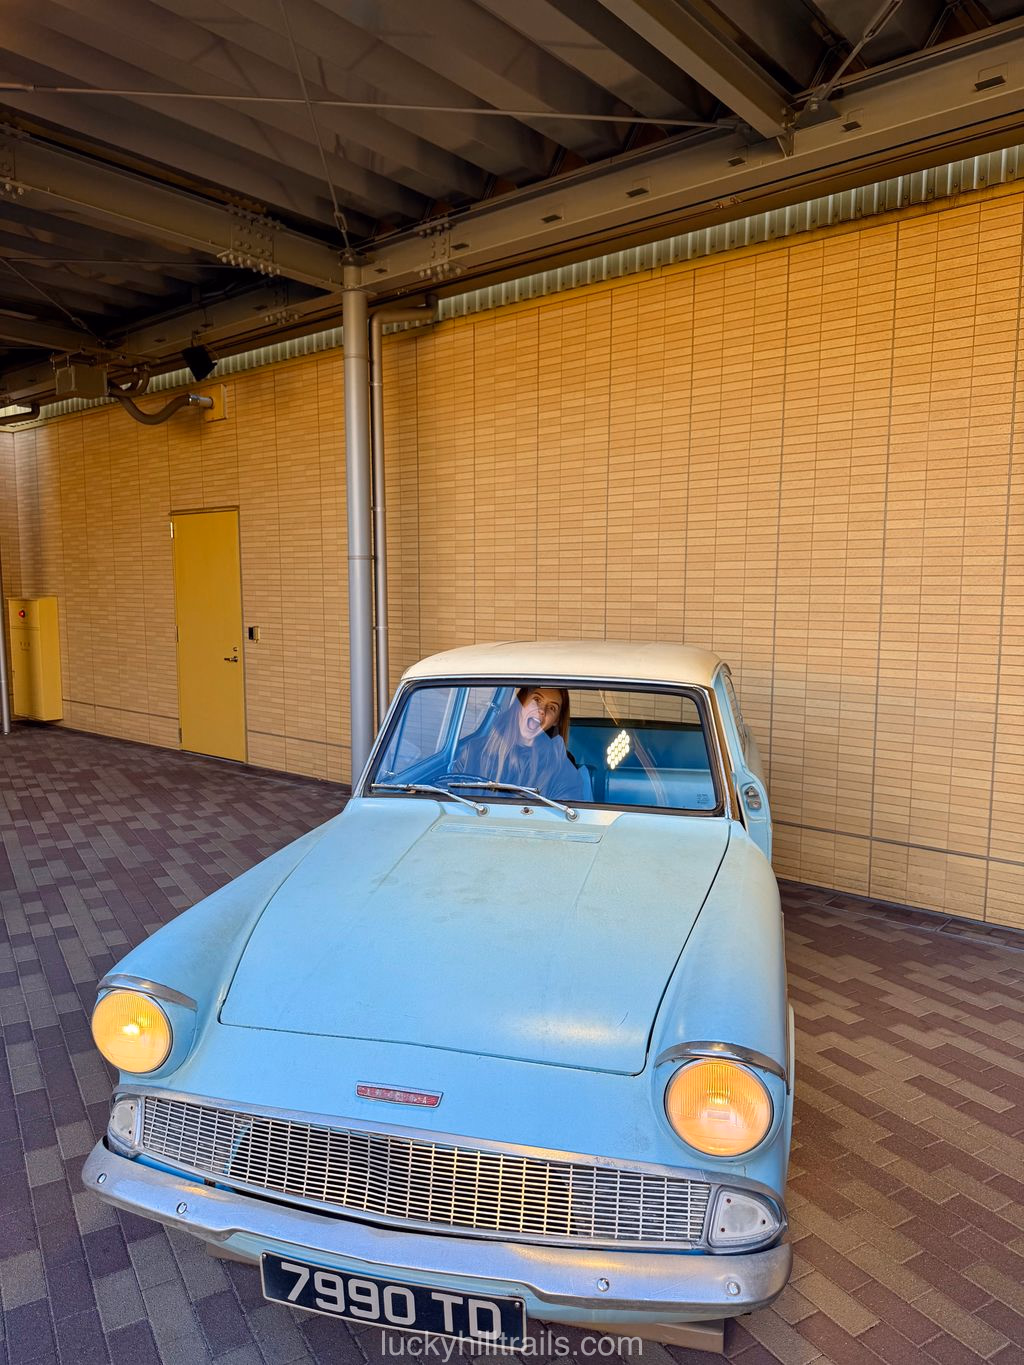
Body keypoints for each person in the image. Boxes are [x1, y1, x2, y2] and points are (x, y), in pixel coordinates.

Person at [451, 686, 585, 801]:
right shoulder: (473, 752)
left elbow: (564, 819)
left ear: (556, 721)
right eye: (536, 700)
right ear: (520, 703)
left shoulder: (561, 765)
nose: (542, 710)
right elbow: (449, 798)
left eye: (552, 708)